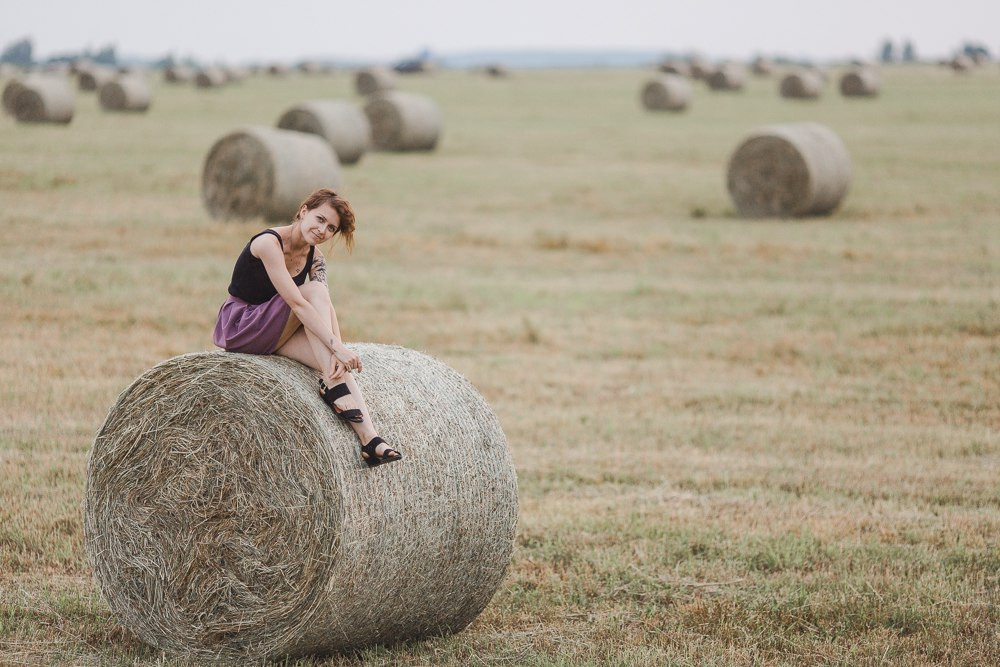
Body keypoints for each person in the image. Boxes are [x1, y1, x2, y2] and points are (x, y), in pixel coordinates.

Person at [212, 188, 402, 467]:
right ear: (303, 211)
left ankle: (370, 440)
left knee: (334, 365)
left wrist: (338, 351)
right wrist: (336, 346)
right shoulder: (268, 243)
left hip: (273, 330)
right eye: (320, 219)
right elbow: (299, 304)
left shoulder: (316, 258)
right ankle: (332, 386)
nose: (323, 229)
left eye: (331, 228)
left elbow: (326, 305)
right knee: (312, 296)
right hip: (242, 325)